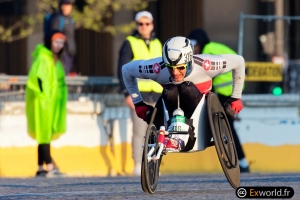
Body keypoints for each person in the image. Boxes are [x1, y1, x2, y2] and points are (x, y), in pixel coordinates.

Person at [122, 36, 245, 164]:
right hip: (170, 111)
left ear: (189, 61)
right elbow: (126, 70)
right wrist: (139, 103)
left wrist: (236, 97)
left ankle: (187, 127)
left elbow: (239, 61)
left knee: (186, 87)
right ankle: (170, 137)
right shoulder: (156, 67)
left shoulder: (207, 64)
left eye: (180, 67)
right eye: (170, 67)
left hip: (200, 112)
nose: (175, 72)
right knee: (171, 89)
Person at [187, 28, 250, 173]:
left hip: (224, 91)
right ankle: (242, 161)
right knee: (228, 127)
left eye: (194, 46)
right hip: (232, 89)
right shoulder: (213, 46)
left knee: (227, 127)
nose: (193, 50)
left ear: (199, 43)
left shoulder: (206, 51)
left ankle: (241, 162)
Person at [117, 11, 163, 175]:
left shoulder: (158, 43)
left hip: (157, 94)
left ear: (152, 25)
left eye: (147, 24)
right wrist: (126, 93)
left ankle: (154, 163)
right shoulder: (129, 43)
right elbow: (123, 69)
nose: (144, 27)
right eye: (140, 24)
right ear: (136, 26)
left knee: (158, 131)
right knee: (139, 131)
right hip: (139, 94)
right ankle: (138, 164)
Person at [26, 30, 68, 177]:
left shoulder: (53, 59)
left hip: (51, 102)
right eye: (56, 41)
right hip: (43, 101)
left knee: (44, 133)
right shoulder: (43, 58)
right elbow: (36, 78)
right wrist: (43, 95)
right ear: (50, 41)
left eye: (62, 42)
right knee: (44, 133)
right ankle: (50, 166)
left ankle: (40, 167)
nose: (59, 45)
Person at [47, 0, 76, 75]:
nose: (67, 7)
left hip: (70, 53)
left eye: (69, 5)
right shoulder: (58, 18)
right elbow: (54, 36)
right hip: (62, 55)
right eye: (66, 5)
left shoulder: (70, 19)